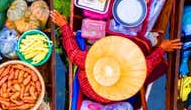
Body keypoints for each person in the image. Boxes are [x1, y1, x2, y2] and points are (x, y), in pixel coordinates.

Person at [50, 10, 180, 103]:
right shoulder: (132, 74)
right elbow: (149, 63)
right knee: (143, 49)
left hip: (105, 93)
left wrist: (64, 25)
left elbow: (72, 51)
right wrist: (162, 48)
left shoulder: (86, 66)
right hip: (114, 93)